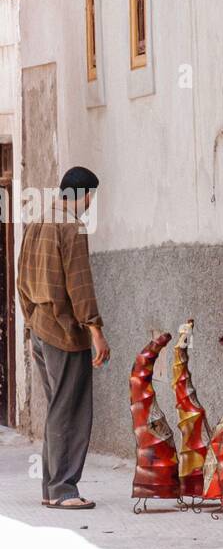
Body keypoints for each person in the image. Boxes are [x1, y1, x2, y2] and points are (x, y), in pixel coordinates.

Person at [17, 166, 110, 510]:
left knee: (58, 408)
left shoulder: (37, 222)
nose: (91, 203)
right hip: (65, 333)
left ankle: (50, 487)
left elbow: (21, 279)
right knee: (70, 410)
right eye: (92, 196)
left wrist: (31, 320)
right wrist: (96, 331)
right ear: (84, 194)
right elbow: (80, 286)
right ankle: (63, 489)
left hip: (39, 328)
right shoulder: (72, 227)